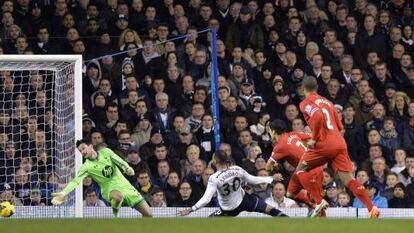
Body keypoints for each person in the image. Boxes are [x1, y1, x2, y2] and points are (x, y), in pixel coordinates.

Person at [295, 76, 380, 218]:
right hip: (339, 142)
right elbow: (340, 127)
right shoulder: (328, 102)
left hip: (323, 143)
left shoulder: (305, 103)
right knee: (348, 180)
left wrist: (314, 139)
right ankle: (372, 208)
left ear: (303, 89)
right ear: (317, 88)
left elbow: (317, 117)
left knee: (300, 171)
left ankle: (319, 203)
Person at [51, 139, 152, 217]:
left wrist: (127, 168)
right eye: (80, 151)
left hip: (125, 185)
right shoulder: (86, 167)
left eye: (83, 148)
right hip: (109, 188)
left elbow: (118, 160)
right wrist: (64, 192)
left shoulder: (106, 152)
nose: (82, 152)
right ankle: (115, 213)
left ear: (90, 146)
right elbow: (75, 181)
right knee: (118, 196)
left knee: (148, 214)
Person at [178, 150, 287, 217]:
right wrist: (271, 178)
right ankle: (290, 223)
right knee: (271, 210)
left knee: (209, 223)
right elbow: (253, 180)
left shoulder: (214, 178)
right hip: (245, 200)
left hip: (229, 210)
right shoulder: (237, 169)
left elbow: (206, 199)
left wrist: (191, 209)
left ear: (215, 161)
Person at [265, 119, 324, 212]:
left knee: (295, 194)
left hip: (309, 170)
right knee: (293, 193)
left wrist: (273, 165)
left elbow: (267, 167)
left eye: (269, 130)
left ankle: (317, 205)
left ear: (273, 131)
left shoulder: (280, 146)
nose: (268, 132)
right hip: (316, 165)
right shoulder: (293, 134)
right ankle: (317, 206)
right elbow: (311, 136)